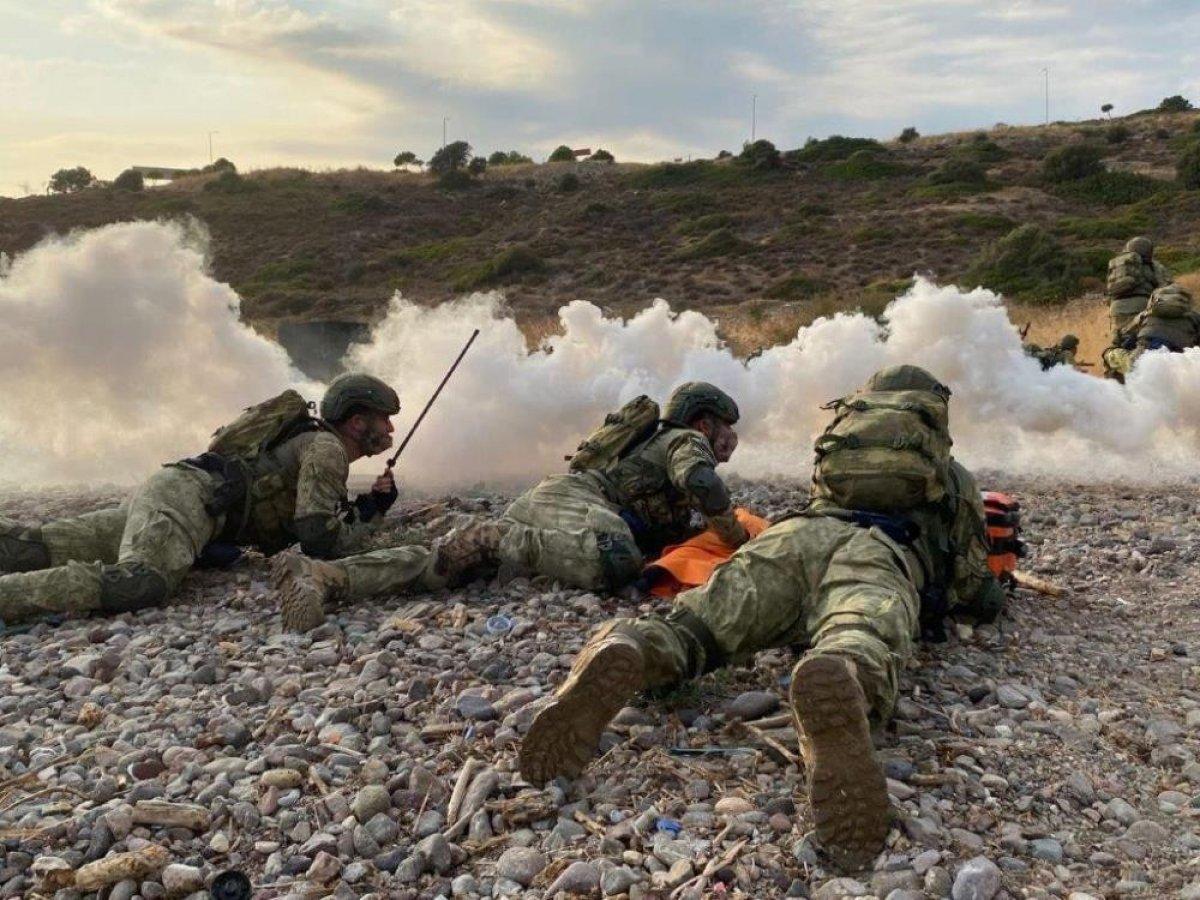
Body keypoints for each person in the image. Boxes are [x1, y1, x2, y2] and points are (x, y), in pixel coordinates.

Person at [517, 366, 1005, 871]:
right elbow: (971, 582)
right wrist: (991, 597)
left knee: (698, 625)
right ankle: (844, 673)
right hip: (880, 554)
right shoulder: (949, 475)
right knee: (859, 630)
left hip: (790, 541)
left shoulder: (841, 448)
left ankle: (635, 648)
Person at [0, 374, 479, 626]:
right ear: (357, 422)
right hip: (190, 503)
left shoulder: (317, 445)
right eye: (383, 419)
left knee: (42, 546)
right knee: (142, 583)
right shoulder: (327, 449)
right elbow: (318, 539)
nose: (391, 428)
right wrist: (373, 524)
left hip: (185, 501)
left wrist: (370, 508)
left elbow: (312, 522)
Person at [494, 381, 748, 591]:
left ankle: (490, 540)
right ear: (704, 426)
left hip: (554, 503)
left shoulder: (657, 443)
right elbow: (702, 483)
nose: (732, 435)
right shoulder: (688, 439)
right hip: (574, 499)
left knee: (487, 564)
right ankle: (496, 538)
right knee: (617, 558)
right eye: (726, 426)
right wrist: (738, 539)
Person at [1102, 284, 1200, 381]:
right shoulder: (1195, 317)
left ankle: (1117, 388)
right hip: (1179, 366)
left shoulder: (1145, 315)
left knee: (1109, 354)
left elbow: (1124, 336)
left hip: (1142, 363)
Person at [1106, 236, 1171, 343]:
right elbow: (1166, 289)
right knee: (1142, 341)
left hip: (1116, 308)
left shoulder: (1118, 265)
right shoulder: (1154, 266)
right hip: (1142, 305)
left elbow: (1110, 291)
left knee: (1119, 342)